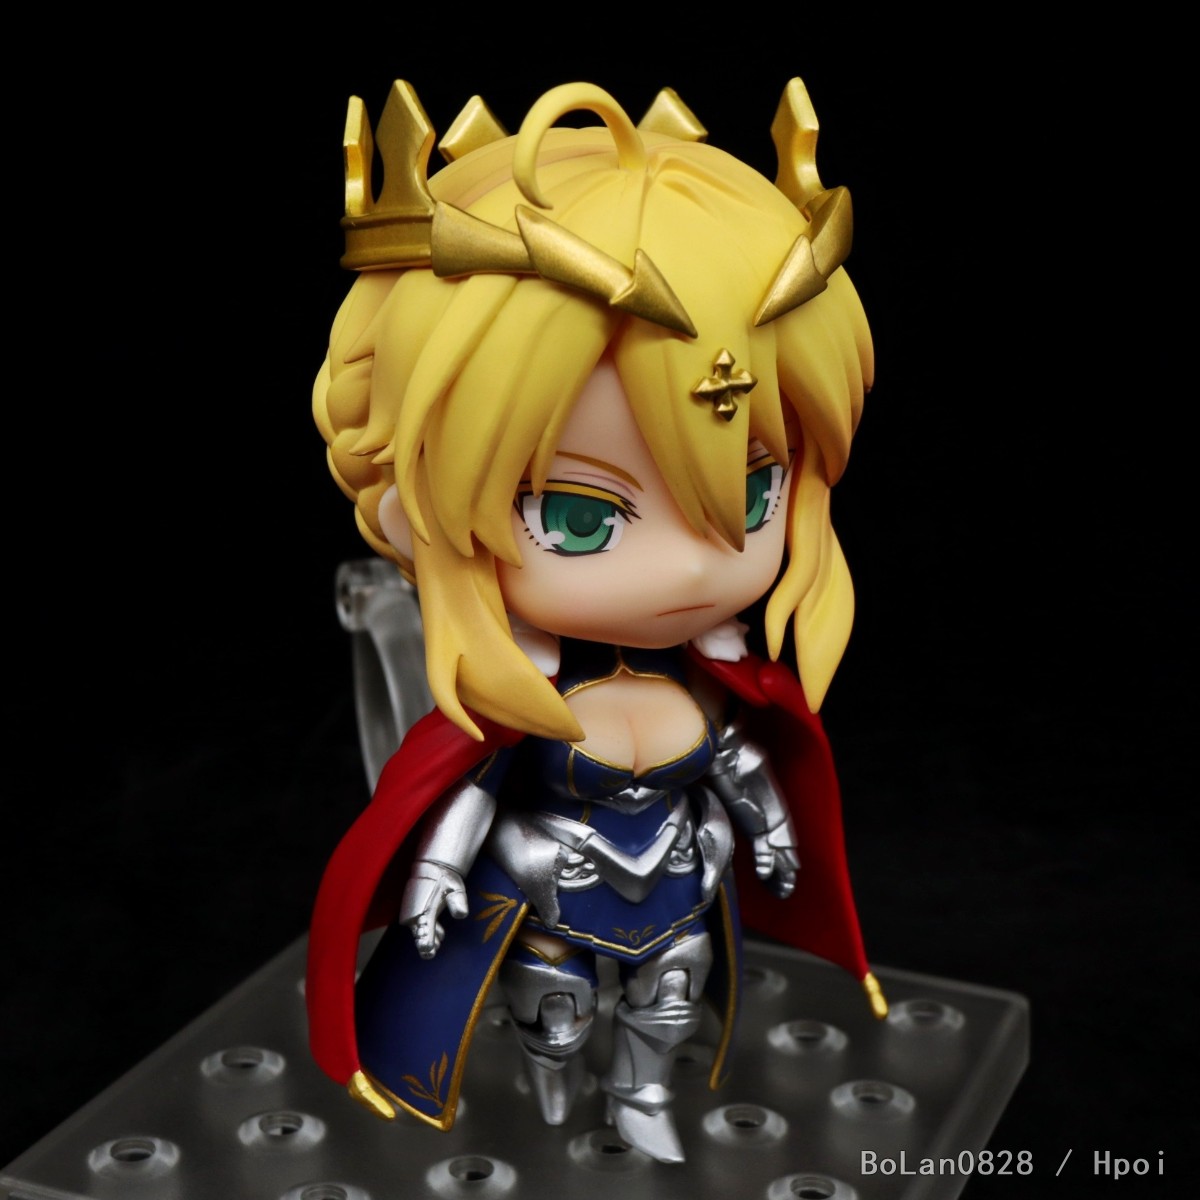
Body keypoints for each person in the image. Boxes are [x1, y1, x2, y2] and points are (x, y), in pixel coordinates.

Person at [308, 78, 881, 1164]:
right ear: (406, 510)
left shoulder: (712, 674)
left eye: (754, 493)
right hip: (546, 876)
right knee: (554, 1006)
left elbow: (741, 765)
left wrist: (769, 829)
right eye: (582, 516)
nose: (697, 562)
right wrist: (434, 879)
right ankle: (553, 1082)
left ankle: (642, 1097)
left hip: (677, 871)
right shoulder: (520, 687)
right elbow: (471, 797)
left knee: (673, 995)